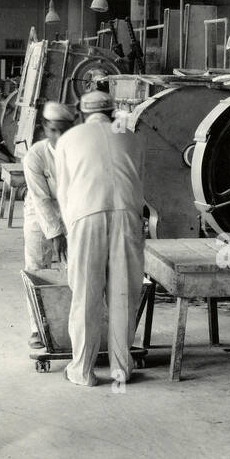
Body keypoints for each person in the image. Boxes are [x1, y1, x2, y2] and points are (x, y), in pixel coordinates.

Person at [53, 89, 144, 387]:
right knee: (123, 295)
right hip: (127, 214)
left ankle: (82, 370)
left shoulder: (68, 139)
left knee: (86, 295)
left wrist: (71, 230)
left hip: (85, 215)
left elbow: (63, 192)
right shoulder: (131, 136)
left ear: (81, 113)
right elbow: (139, 180)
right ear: (114, 110)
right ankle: (121, 368)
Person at [22, 102, 75, 348]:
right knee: (37, 268)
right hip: (37, 213)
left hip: (70, 213)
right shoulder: (36, 154)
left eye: (64, 130)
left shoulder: (78, 151)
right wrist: (56, 234)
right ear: (45, 128)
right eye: (54, 130)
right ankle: (37, 330)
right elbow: (41, 199)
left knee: (73, 269)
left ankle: (70, 328)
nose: (59, 136)